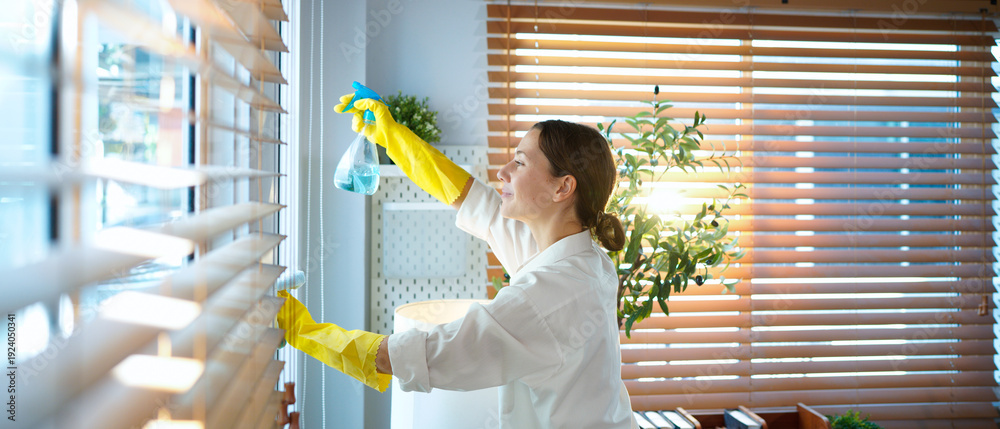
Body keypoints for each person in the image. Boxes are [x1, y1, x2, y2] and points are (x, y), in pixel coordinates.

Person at [275, 92, 637, 428]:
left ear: (562, 188)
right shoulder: (579, 256)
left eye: (521, 162)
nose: (503, 171)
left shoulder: (550, 295)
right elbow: (470, 199)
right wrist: (392, 136)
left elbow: (413, 357)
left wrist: (302, 331)